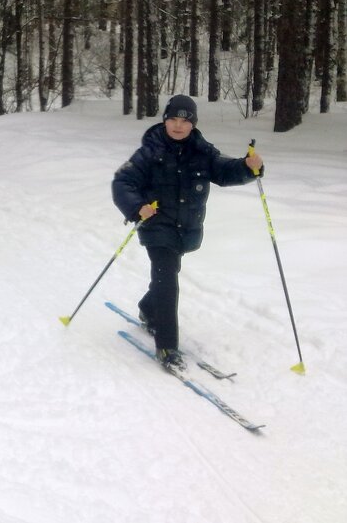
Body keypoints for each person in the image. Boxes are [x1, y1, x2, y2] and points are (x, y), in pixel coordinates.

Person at [111, 94, 264, 370]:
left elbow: (225, 170)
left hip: (185, 229)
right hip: (156, 226)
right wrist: (138, 207)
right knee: (168, 280)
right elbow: (123, 181)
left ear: (193, 124)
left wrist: (247, 167)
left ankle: (148, 309)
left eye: (184, 121)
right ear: (165, 120)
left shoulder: (202, 152)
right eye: (173, 119)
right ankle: (167, 347)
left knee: (165, 277)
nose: (178, 126)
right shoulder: (150, 151)